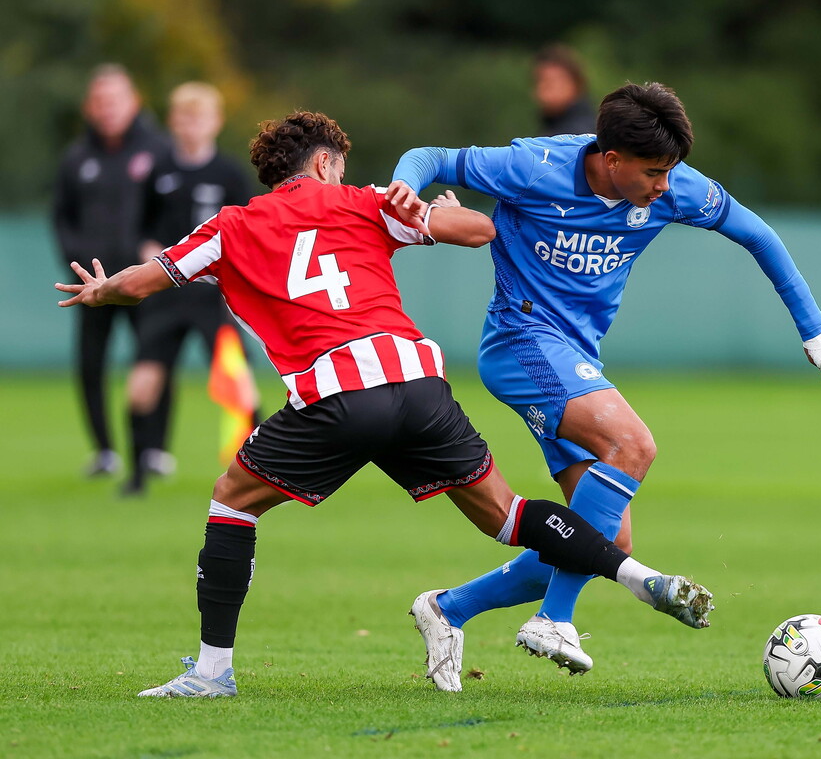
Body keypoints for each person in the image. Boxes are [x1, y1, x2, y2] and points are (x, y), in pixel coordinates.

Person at [54, 110, 706, 698]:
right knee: (507, 514)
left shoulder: (231, 225)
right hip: (420, 383)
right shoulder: (365, 202)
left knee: (232, 498)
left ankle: (211, 673)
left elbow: (144, 283)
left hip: (336, 393)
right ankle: (635, 573)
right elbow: (478, 229)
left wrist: (100, 290)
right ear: (324, 163)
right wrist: (437, 206)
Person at [391, 81, 821, 687]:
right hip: (521, 341)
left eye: (672, 171)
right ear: (611, 160)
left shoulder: (673, 185)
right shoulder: (534, 165)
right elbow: (431, 158)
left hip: (577, 358)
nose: (665, 185)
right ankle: (553, 619)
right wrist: (404, 185)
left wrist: (816, 333)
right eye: (654, 172)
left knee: (603, 536)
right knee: (633, 446)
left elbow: (759, 236)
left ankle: (447, 609)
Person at [124, 82, 257, 495]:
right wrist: (150, 256)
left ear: (216, 122)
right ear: (172, 121)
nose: (190, 125)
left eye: (199, 116)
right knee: (143, 385)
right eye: (183, 116)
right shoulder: (158, 171)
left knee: (240, 387)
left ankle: (264, 474)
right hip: (165, 295)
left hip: (214, 297)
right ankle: (138, 476)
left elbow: (249, 232)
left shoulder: (230, 173)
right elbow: (143, 230)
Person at [53, 64, 170, 476]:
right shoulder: (76, 157)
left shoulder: (158, 150)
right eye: (100, 101)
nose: (107, 109)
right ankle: (104, 450)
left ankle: (153, 450)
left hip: (143, 279)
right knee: (90, 363)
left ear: (134, 102)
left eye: (115, 99)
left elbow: (169, 209)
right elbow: (62, 217)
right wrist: (75, 259)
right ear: (89, 107)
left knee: (154, 360)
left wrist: (158, 253)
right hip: (91, 284)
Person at [533, 44, 595, 136]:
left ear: (575, 84)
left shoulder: (577, 136)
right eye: (537, 82)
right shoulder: (554, 126)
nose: (540, 90)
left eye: (549, 83)